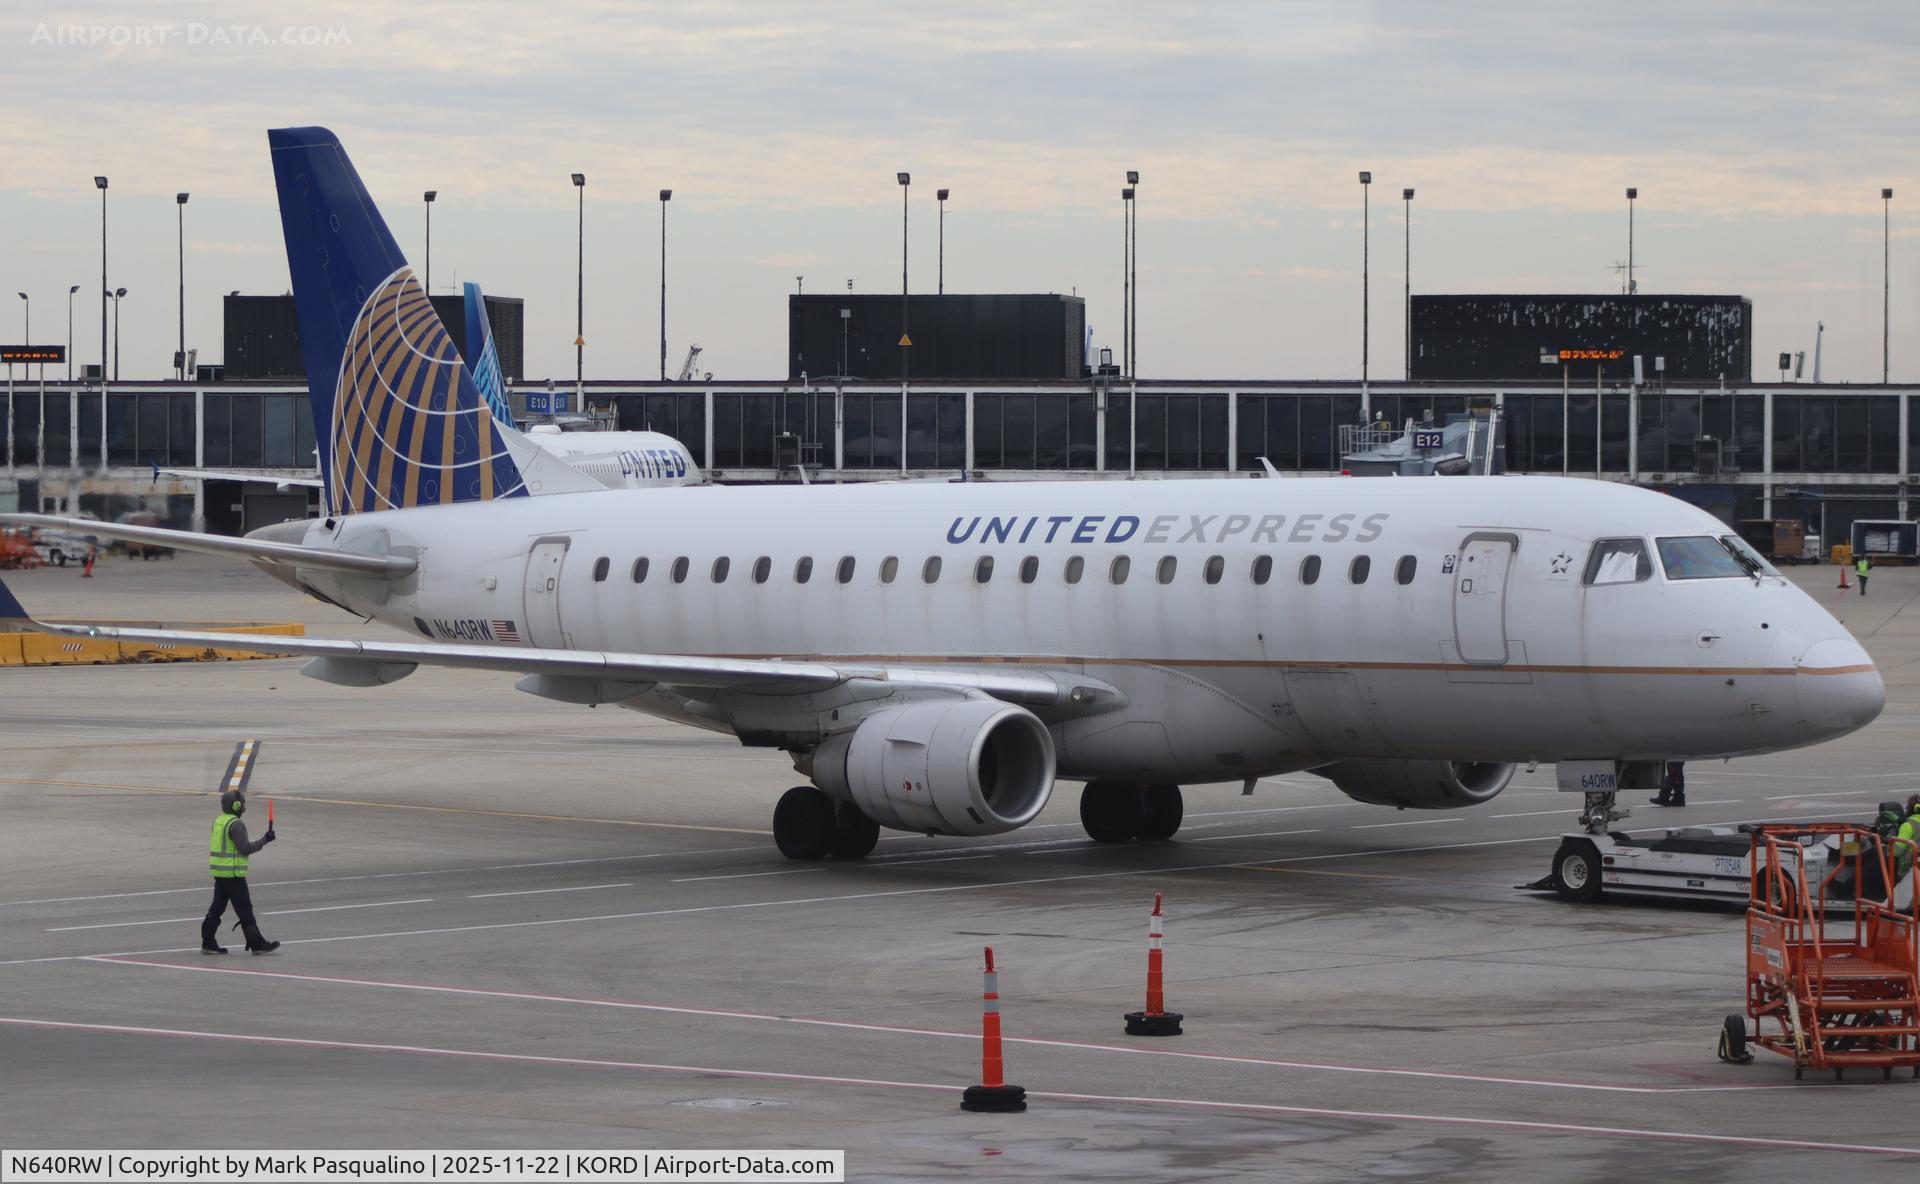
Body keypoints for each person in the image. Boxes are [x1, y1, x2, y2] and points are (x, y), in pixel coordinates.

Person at [202, 789, 279, 955]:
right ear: (236, 805)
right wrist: (265, 840)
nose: (244, 806)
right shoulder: (236, 824)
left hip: (220, 873)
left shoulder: (219, 821)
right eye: (243, 803)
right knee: (245, 909)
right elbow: (245, 849)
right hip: (233, 874)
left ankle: (207, 941)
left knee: (217, 908)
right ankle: (257, 944)